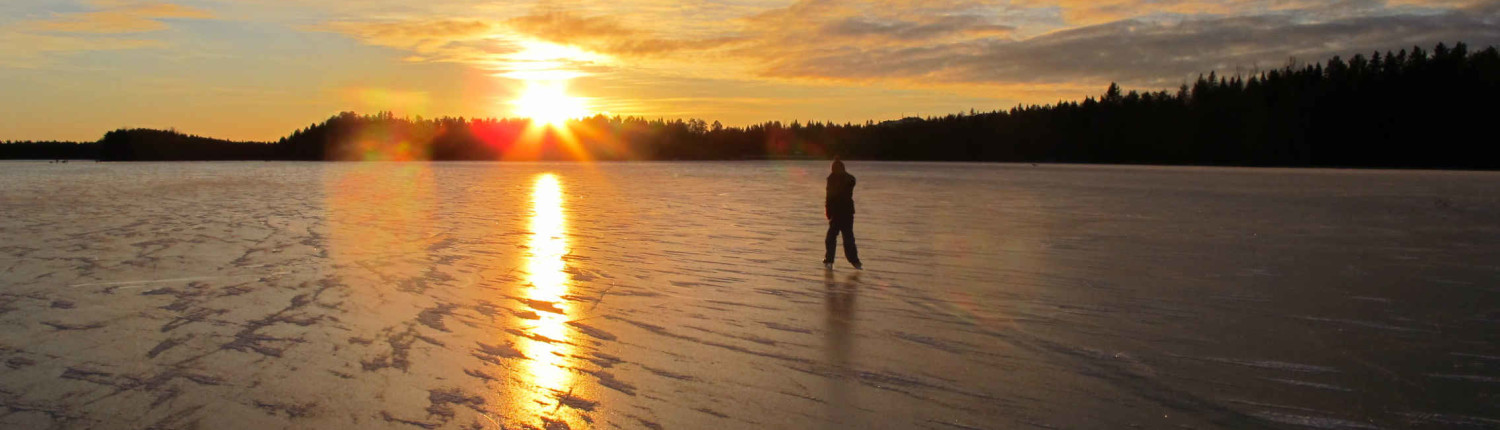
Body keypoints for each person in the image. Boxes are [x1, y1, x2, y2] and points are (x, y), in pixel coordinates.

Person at [824, 158, 862, 269]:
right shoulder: (831, 179)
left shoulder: (848, 179)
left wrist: (829, 209)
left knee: (847, 238)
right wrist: (828, 210)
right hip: (836, 213)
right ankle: (829, 260)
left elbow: (851, 183)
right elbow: (829, 197)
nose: (834, 170)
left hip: (846, 213)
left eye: (836, 168)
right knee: (831, 238)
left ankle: (855, 261)